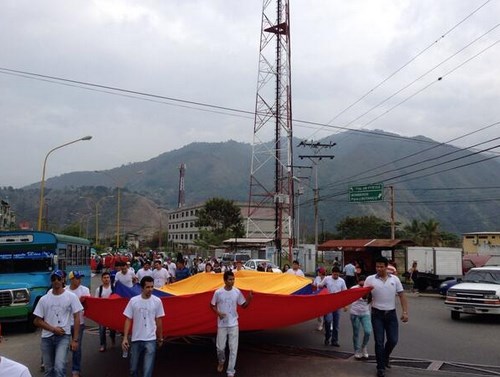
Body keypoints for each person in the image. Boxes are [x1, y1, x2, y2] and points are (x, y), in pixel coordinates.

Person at [33, 269, 83, 377]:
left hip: (63, 336)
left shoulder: (71, 297)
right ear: (51, 281)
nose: (56, 281)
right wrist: (53, 329)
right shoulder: (44, 299)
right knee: (49, 370)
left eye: (58, 278)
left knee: (59, 367)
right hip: (47, 338)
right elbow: (37, 321)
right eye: (53, 279)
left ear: (63, 280)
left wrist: (75, 340)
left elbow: (77, 318)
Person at [364, 257, 409, 377]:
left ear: (386, 266)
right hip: (376, 314)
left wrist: (405, 312)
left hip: (391, 314)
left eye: (381, 266)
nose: (379, 269)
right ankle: (380, 367)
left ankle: (385, 356)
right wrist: (364, 294)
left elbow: (402, 295)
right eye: (377, 266)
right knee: (379, 342)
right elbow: (365, 295)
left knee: (393, 340)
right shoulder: (370, 279)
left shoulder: (394, 279)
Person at [211, 271, 252, 377]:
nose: (232, 281)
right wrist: (218, 313)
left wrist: (249, 298)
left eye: (233, 279)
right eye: (230, 279)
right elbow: (212, 305)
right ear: (224, 280)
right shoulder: (218, 292)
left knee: (233, 348)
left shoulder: (237, 292)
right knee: (220, 348)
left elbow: (244, 305)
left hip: (234, 324)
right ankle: (221, 361)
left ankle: (230, 370)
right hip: (222, 324)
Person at [122, 276, 165, 377]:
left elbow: (159, 320)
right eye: (147, 287)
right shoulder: (133, 301)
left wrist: (160, 337)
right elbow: (128, 319)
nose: (150, 289)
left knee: (147, 371)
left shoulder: (157, 301)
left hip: (151, 339)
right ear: (142, 288)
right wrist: (125, 338)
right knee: (133, 369)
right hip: (136, 338)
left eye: (152, 287)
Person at [65, 271, 91, 377]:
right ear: (71, 279)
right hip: (66, 323)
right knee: (64, 345)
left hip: (79, 323)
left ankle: (76, 369)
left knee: (77, 347)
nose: (79, 280)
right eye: (77, 278)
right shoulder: (65, 290)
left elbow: (89, 307)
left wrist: (84, 302)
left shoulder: (85, 290)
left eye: (80, 278)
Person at [318, 266, 347, 347]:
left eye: (337, 275)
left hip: (337, 304)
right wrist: (322, 289)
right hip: (328, 303)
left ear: (339, 274)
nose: (335, 276)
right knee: (328, 320)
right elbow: (320, 286)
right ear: (332, 273)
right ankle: (327, 336)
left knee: (336, 324)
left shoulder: (342, 281)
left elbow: (344, 292)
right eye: (334, 274)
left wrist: (345, 305)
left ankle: (335, 340)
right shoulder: (327, 279)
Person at [348, 275, 372, 359]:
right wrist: (345, 306)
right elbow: (347, 298)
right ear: (358, 282)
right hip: (355, 313)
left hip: (365, 313)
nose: (362, 285)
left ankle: (364, 346)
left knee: (368, 331)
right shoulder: (354, 288)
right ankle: (357, 350)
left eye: (363, 284)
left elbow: (373, 299)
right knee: (356, 333)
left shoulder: (369, 289)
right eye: (361, 284)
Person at [95, 271, 116, 352]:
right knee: (102, 330)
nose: (106, 279)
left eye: (108, 278)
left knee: (112, 329)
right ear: (102, 279)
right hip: (102, 313)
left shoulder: (113, 288)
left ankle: (113, 339)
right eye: (104, 278)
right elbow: (96, 301)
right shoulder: (98, 289)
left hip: (112, 313)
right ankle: (102, 344)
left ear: (110, 279)